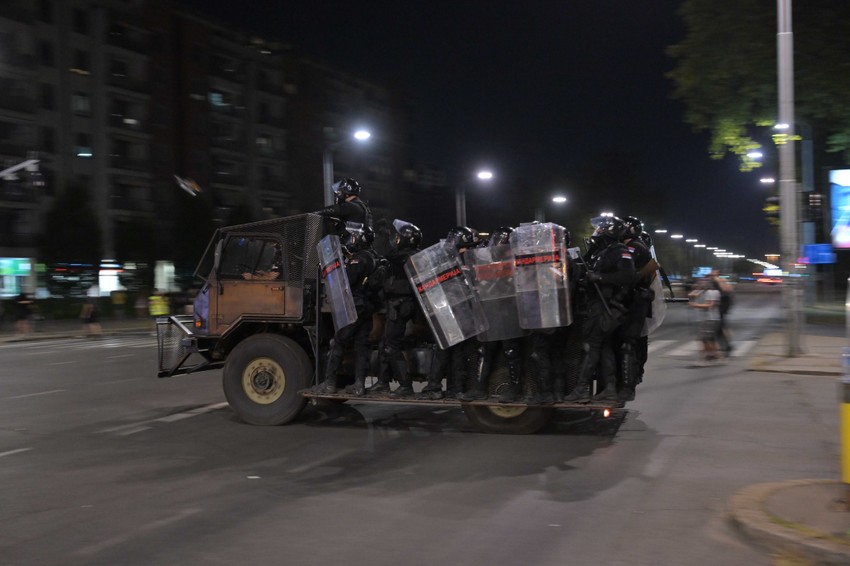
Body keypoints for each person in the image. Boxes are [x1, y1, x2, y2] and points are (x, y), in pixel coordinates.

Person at [565, 216, 635, 403]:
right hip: (598, 304)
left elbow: (628, 276)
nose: (596, 232)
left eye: (600, 229)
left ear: (609, 232)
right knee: (604, 348)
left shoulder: (620, 251)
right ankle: (610, 389)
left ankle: (581, 389)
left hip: (605, 306)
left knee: (592, 347)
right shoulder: (605, 251)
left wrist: (599, 278)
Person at [312, 225, 380, 396]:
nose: (351, 240)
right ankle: (359, 384)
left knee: (339, 342)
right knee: (360, 346)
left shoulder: (359, 259)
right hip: (366, 307)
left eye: (353, 237)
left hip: (354, 306)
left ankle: (329, 383)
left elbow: (347, 280)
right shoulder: (373, 257)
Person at [459, 226, 525, 403]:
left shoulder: (515, 262)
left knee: (511, 352)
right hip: (492, 312)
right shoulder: (486, 261)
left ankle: (516, 389)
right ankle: (479, 388)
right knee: (485, 351)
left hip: (508, 312)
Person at [417, 226, 480, 400]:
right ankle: (455, 388)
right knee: (458, 353)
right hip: (465, 313)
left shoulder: (451, 260)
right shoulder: (471, 260)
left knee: (443, 351)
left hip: (450, 311)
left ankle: (435, 387)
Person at [367, 220, 423, 398]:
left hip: (402, 306)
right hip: (395, 305)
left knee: (392, 346)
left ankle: (405, 385)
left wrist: (383, 235)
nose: (396, 239)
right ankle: (383, 383)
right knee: (385, 344)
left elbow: (388, 252)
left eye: (398, 237)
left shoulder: (409, 257)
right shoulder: (405, 255)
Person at [616, 215, 654, 402]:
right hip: (633, 301)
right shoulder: (634, 246)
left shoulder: (635, 247)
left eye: (623, 226)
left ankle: (627, 386)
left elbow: (626, 274)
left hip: (635, 301)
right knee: (630, 342)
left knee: (628, 343)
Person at [688, 277, 722, 363]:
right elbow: (691, 295)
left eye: (703, 282)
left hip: (710, 318)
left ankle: (705, 358)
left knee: (705, 339)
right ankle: (713, 355)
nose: (700, 283)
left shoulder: (711, 292)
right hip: (704, 319)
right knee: (707, 339)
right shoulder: (703, 291)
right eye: (699, 282)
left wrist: (695, 305)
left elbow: (709, 305)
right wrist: (697, 289)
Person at [709, 268, 734, 354]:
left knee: (720, 326)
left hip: (722, 306)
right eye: (711, 274)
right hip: (717, 306)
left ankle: (727, 345)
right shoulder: (712, 282)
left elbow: (727, 289)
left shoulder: (721, 280)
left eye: (713, 274)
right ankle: (725, 346)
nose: (712, 275)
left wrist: (719, 281)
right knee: (719, 327)